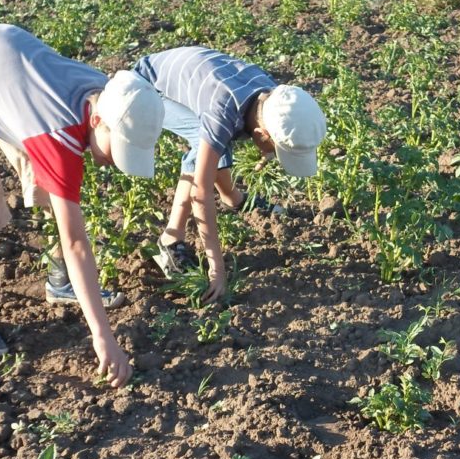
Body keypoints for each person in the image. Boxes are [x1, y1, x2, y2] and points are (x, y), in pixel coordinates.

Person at [0, 23, 164, 389]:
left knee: (47, 185)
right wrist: (103, 336)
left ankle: (60, 281)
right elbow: (75, 241)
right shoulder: (56, 131)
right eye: (118, 149)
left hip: (3, 72)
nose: (114, 162)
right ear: (96, 119)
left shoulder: (114, 96)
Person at [132, 46, 326, 302]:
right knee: (203, 143)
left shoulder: (272, 96)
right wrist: (217, 269)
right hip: (147, 86)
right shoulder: (222, 109)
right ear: (260, 135)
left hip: (196, 77)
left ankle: (232, 198)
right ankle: (170, 239)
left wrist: (267, 149)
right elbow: (200, 193)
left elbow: (247, 123)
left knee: (217, 141)